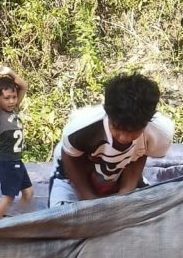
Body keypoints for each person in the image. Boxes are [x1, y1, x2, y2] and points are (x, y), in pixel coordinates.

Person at [49, 73, 174, 206]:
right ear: (107, 114)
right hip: (72, 175)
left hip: (118, 174)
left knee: (145, 214)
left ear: (146, 122)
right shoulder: (81, 129)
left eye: (133, 131)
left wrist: (126, 192)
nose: (124, 137)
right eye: (117, 128)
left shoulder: (161, 133)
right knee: (63, 221)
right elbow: (70, 158)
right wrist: (89, 198)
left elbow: (140, 154)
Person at [0, 65, 33, 220]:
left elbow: (24, 86)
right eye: (6, 98)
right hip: (7, 161)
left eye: (14, 97)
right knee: (9, 197)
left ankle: (17, 218)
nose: (11, 101)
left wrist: (10, 72)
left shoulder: (14, 109)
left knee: (29, 192)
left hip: (17, 160)